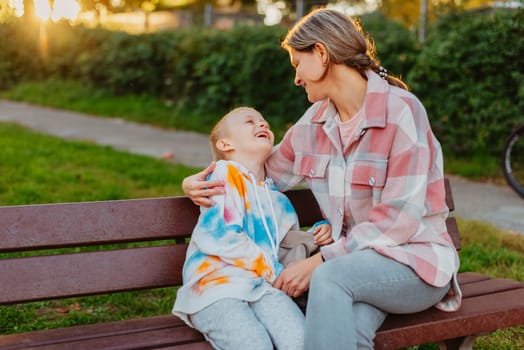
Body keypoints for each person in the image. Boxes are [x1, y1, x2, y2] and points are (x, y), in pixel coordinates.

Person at [181, 8, 462, 350]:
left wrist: (319, 261)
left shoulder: (401, 112)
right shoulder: (314, 123)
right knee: (346, 331)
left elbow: (397, 223)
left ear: (322, 54)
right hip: (351, 269)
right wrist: (206, 178)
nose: (296, 78)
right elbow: (261, 171)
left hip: (414, 264)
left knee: (328, 280)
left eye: (297, 64)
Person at [172, 106, 331, 350]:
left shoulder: (278, 200)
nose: (262, 124)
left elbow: (284, 246)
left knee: (300, 343)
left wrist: (317, 236)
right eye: (250, 121)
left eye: (264, 121)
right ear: (226, 145)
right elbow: (222, 236)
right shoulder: (225, 174)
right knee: (254, 345)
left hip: (263, 286)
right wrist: (272, 271)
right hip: (217, 287)